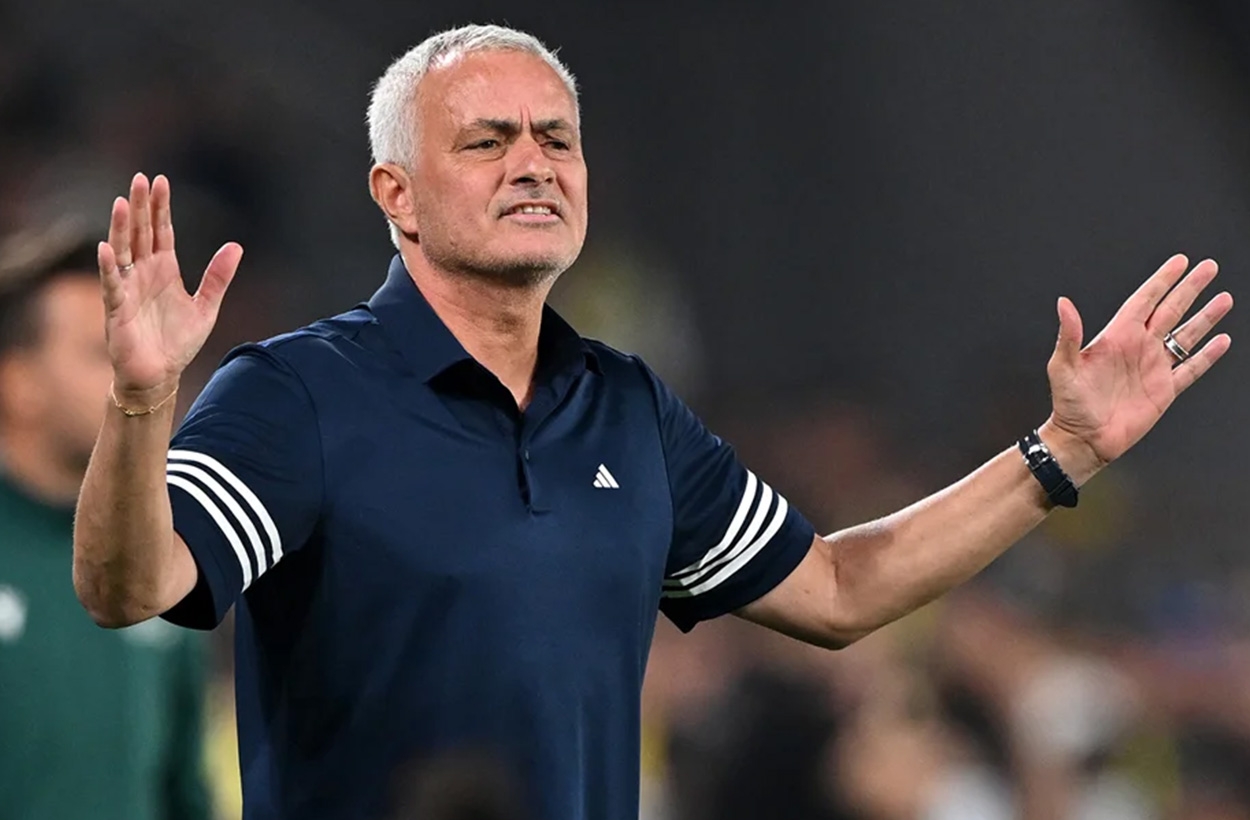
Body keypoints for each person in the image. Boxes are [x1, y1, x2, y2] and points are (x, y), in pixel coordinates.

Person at [71, 23, 1233, 820]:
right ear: (396, 196)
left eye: (555, 138)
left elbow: (835, 589)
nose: (533, 164)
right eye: (486, 141)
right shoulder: (299, 392)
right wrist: (138, 403)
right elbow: (132, 586)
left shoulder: (625, 407)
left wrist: (1060, 451)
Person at [0, 223, 211, 820]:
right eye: (104, 353)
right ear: (19, 383)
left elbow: (182, 788)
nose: (136, 369)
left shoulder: (164, 554)